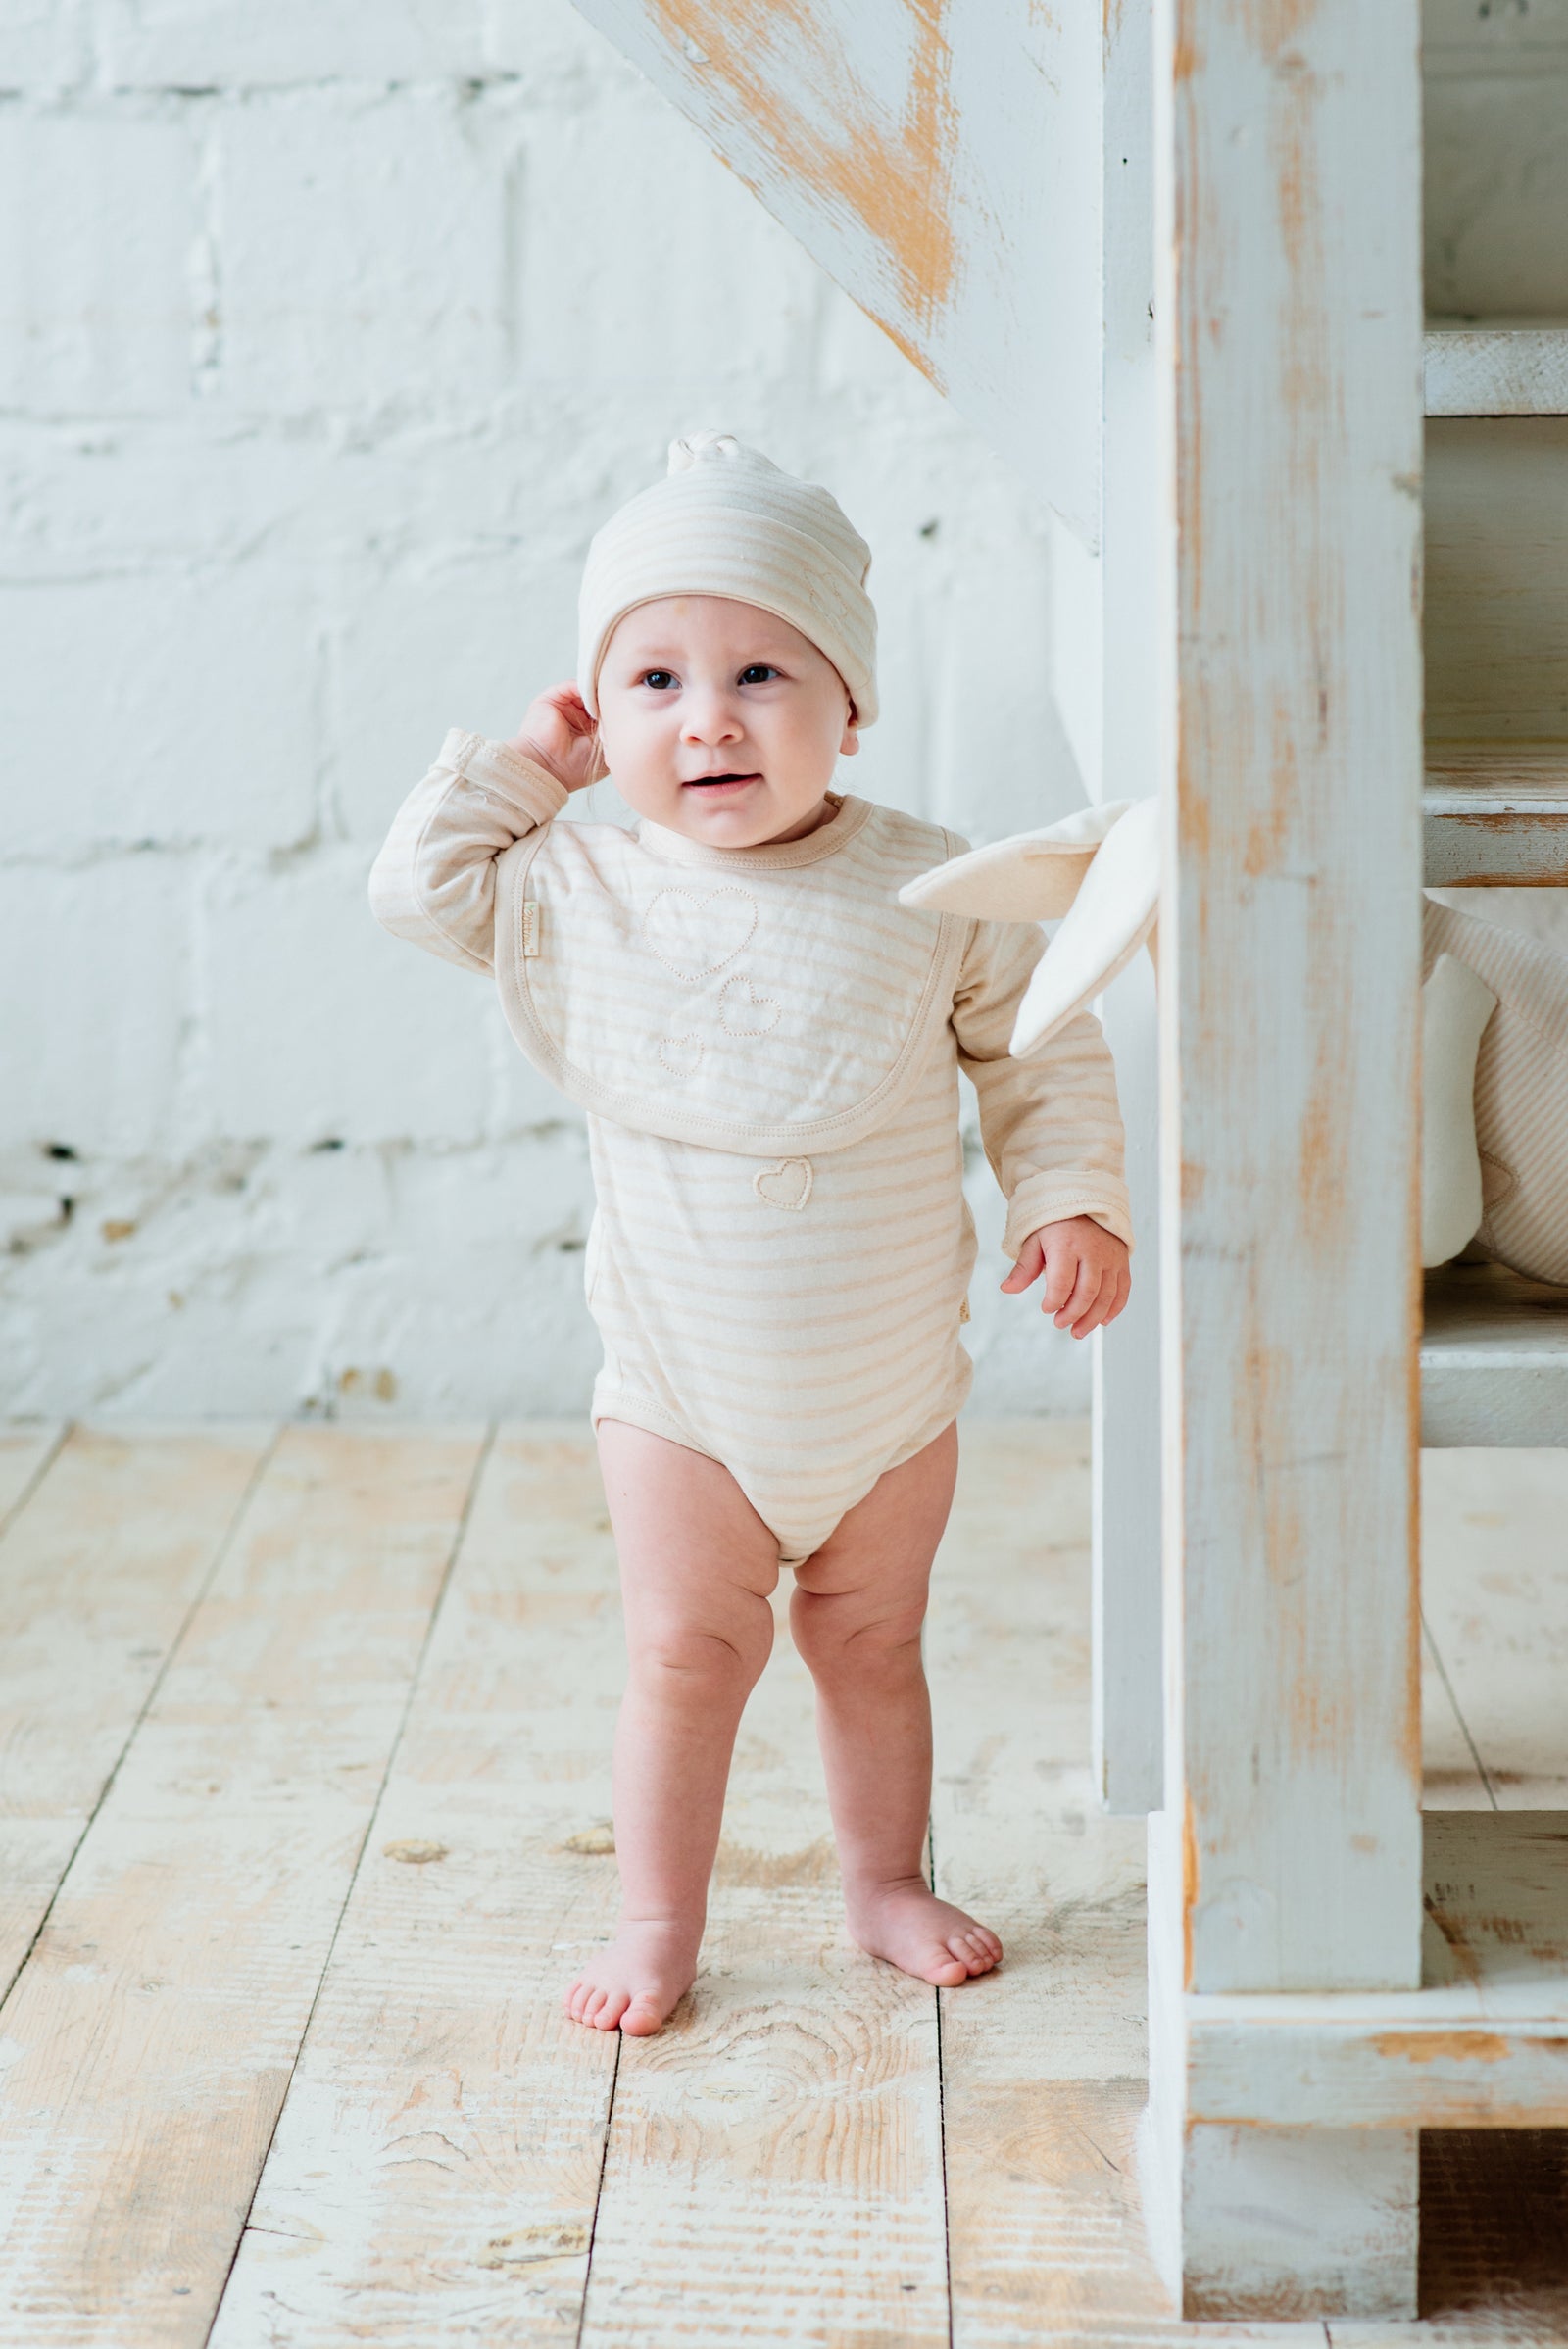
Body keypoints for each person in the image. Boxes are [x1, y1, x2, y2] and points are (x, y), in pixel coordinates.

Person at [369, 431, 1132, 2035]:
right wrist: (527, 766)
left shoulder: (939, 886)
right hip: (683, 1396)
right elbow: (416, 889)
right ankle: (658, 1916)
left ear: (850, 705)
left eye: (761, 672)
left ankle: (882, 1881)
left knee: (876, 1644)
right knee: (685, 1655)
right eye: (649, 679)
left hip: (887, 1393)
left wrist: (1067, 1195)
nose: (706, 715)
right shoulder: (582, 886)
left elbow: (1042, 1048)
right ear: (603, 715)